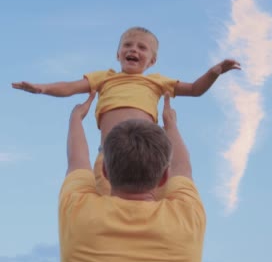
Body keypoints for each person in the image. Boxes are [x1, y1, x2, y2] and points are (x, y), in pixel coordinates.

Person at [12, 26, 240, 193]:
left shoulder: (157, 82)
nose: (134, 50)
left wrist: (214, 73)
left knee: (153, 197)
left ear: (152, 61)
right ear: (118, 53)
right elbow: (70, 87)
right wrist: (42, 88)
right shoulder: (105, 78)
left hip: (148, 154)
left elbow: (194, 89)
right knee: (106, 197)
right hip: (111, 155)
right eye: (128, 45)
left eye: (142, 48)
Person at [59, 91, 205, 262]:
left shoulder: (77, 211)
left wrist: (75, 118)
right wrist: (171, 124)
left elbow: (77, 161)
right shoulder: (187, 216)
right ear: (164, 178)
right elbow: (183, 167)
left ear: (104, 172)